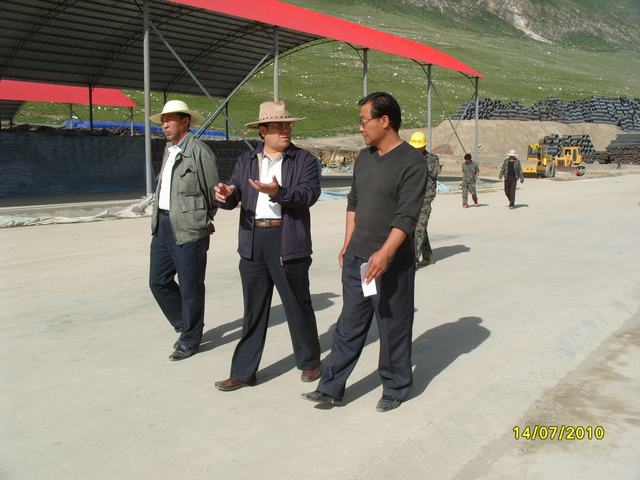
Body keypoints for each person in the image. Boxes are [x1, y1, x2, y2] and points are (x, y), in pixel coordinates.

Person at [302, 92, 427, 412]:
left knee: (392, 325)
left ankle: (396, 387)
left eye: (363, 121)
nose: (360, 128)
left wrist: (385, 254)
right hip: (358, 259)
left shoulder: (412, 162)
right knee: (350, 323)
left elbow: (407, 217)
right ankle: (331, 386)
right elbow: (353, 202)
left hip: (390, 263)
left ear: (384, 121)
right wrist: (348, 243)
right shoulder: (365, 157)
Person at [213, 100, 322, 391]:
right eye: (278, 126)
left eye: (288, 125)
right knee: (254, 310)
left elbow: (309, 194)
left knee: (297, 305)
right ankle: (243, 371)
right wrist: (225, 194)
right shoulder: (246, 161)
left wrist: (278, 192)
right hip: (253, 241)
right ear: (262, 131)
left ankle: (310, 361)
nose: (286, 131)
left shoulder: (304, 160)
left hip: (288, 239)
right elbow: (236, 193)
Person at [148, 100, 220, 361]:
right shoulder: (170, 151)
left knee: (191, 286)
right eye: (162, 121)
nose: (164, 125)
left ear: (185, 121)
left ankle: (190, 339)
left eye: (170, 120)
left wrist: (197, 218)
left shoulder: (199, 151)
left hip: (189, 228)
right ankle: (186, 324)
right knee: (158, 281)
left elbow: (213, 194)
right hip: (163, 225)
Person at [409, 131, 440, 267]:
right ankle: (427, 256)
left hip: (426, 197)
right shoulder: (409, 158)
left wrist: (421, 161)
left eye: (418, 147)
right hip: (412, 197)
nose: (416, 150)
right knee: (421, 227)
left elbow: (436, 172)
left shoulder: (432, 158)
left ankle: (413, 259)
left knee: (419, 228)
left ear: (424, 146)